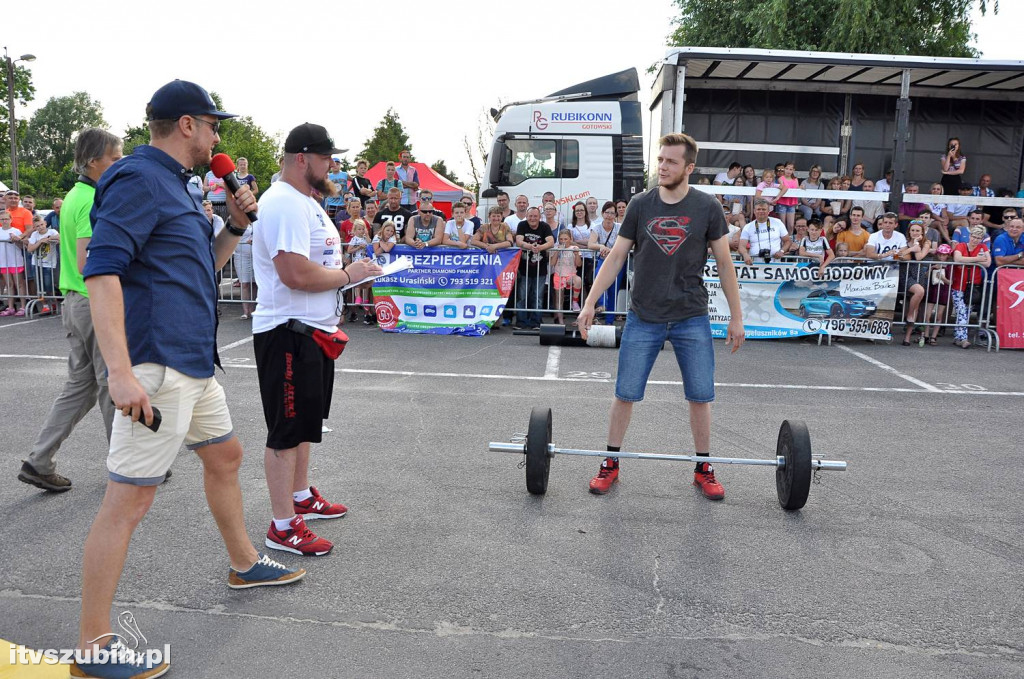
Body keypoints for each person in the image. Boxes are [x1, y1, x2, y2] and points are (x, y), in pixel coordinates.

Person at [73, 81, 305, 679]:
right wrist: (120, 373)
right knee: (129, 500)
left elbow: (200, 267)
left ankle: (244, 561)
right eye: (211, 125)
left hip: (193, 362)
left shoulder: (175, 186)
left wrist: (233, 226)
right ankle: (94, 648)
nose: (216, 136)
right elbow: (100, 270)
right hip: (157, 365)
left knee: (225, 455)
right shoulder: (137, 179)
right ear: (184, 125)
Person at [577, 132, 744, 499]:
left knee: (700, 395)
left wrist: (737, 316)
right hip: (644, 315)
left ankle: (703, 468)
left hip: (691, 316)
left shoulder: (707, 207)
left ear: (689, 167)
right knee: (625, 393)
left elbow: (725, 262)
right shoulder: (640, 204)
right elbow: (617, 256)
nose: (663, 166)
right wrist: (589, 303)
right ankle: (610, 463)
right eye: (661, 160)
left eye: (671, 161)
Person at [251, 122, 383, 558]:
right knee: (286, 432)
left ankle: (301, 495)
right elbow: (293, 272)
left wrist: (351, 272)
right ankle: (282, 525)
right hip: (287, 332)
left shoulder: (306, 201)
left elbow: (315, 264)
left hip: (311, 332)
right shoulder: (286, 203)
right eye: (327, 157)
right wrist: (349, 276)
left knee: (305, 424)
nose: (334, 165)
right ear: (303, 158)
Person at [18, 129, 123, 492]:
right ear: (94, 162)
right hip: (92, 301)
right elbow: (87, 260)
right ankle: (126, 464)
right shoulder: (92, 199)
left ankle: (39, 460)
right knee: (112, 384)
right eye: (114, 157)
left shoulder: (78, 195)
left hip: (75, 302)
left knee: (80, 386)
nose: (119, 163)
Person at [514, 206, 554, 329]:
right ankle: (521, 322)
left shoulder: (545, 226)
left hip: (540, 269)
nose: (532, 218)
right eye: (530, 216)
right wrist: (530, 246)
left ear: (539, 217)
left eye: (535, 216)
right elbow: (519, 241)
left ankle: (536, 322)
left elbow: (551, 242)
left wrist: (539, 248)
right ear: (527, 216)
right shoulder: (522, 225)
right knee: (522, 295)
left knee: (538, 296)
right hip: (524, 267)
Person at [950, 226, 990, 348]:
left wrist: (967, 260)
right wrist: (977, 259)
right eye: (973, 237)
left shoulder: (983, 247)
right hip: (958, 285)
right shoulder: (961, 245)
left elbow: (987, 263)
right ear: (970, 236)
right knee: (961, 311)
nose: (975, 240)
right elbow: (957, 259)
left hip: (973, 286)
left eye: (978, 238)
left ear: (982, 239)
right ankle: (963, 339)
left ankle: (958, 337)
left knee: (966, 313)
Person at [588, 201, 623, 324]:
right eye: (607, 212)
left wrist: (611, 250)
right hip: (603, 260)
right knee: (599, 277)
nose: (609, 215)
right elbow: (590, 244)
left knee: (614, 291)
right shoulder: (596, 227)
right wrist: (601, 247)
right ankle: (601, 304)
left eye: (612, 213)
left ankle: (609, 321)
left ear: (615, 215)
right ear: (603, 213)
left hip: (617, 262)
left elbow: (623, 244)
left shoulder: (619, 227)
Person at [899, 220, 932, 346]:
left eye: (917, 230)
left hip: (918, 273)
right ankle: (909, 314)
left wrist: (917, 244)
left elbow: (919, 257)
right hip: (905, 273)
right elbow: (899, 255)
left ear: (922, 232)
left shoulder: (926, 242)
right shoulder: (904, 242)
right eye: (912, 230)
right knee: (919, 291)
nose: (914, 232)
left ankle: (907, 338)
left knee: (917, 305)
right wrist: (912, 247)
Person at [739, 198, 791, 265]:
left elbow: (787, 241)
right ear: (754, 211)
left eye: (763, 209)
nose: (761, 211)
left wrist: (782, 251)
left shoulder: (778, 222)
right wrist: (745, 254)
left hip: (775, 262)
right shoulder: (748, 227)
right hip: (755, 263)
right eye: (758, 209)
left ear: (768, 211)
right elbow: (741, 246)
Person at [26, 214, 61, 309]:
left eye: (41, 224)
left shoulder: (52, 231)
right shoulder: (34, 234)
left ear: (45, 223)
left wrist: (49, 239)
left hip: (49, 264)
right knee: (39, 286)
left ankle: (53, 302)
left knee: (48, 285)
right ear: (35, 227)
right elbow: (30, 248)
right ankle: (45, 305)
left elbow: (60, 238)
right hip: (36, 263)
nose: (40, 227)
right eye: (37, 226)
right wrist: (40, 241)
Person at [923, 243, 954, 345]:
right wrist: (932, 269)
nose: (941, 257)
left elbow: (951, 282)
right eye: (940, 254)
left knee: (939, 315)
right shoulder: (933, 263)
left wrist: (943, 278)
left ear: (948, 255)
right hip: (932, 290)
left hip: (943, 291)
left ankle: (934, 336)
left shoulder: (950, 266)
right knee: (927, 314)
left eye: (944, 255)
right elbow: (926, 276)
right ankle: (926, 335)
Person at [549, 228, 582, 325]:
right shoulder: (556, 248)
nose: (563, 241)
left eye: (566, 239)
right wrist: (557, 252)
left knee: (578, 280)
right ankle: (560, 321)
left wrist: (576, 255)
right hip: (558, 275)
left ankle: (575, 302)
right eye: (561, 239)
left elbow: (579, 264)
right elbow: (552, 263)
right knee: (559, 299)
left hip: (571, 275)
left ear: (570, 239)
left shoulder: (574, 248)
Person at [346, 219, 374, 324]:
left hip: (365, 261)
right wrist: (358, 247)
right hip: (357, 261)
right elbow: (349, 250)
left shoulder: (365, 239)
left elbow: (370, 245)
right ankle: (358, 296)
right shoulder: (354, 239)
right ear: (355, 230)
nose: (361, 231)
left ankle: (365, 299)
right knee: (357, 281)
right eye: (359, 229)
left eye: (363, 229)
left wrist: (366, 237)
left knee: (365, 281)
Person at [0, 210, 26, 316]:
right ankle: (10, 307)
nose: (5, 221)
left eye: (6, 219)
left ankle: (23, 306)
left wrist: (17, 240)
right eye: (2, 219)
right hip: (3, 261)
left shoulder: (16, 231)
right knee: (9, 284)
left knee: (19, 284)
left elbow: (22, 247)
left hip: (15, 261)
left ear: (11, 219)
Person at [775, 161, 800, 233]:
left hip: (791, 203)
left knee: (791, 225)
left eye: (790, 169)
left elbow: (797, 188)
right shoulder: (781, 179)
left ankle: (790, 240)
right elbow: (783, 187)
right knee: (782, 224)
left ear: (793, 170)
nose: (788, 171)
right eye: (787, 168)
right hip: (782, 203)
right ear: (784, 169)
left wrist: (801, 187)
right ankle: (783, 241)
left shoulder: (795, 179)